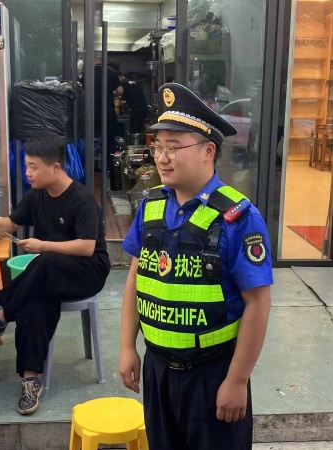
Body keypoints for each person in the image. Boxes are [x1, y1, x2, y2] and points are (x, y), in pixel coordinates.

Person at [118, 83, 273, 449]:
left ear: (208, 150)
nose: (162, 157)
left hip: (213, 375)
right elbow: (136, 279)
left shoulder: (239, 218)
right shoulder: (151, 207)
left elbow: (258, 303)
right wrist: (127, 346)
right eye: (158, 146)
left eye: (174, 147)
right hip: (158, 370)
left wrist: (237, 380)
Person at [0, 133, 110, 416]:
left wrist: (42, 245)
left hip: (87, 271)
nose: (28, 173)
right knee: (35, 300)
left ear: (55, 167)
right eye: (27, 166)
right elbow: (11, 223)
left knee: (44, 263)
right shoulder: (37, 195)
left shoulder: (82, 199)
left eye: (33, 167)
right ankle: (31, 379)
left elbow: (86, 247)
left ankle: (0, 317)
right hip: (50, 273)